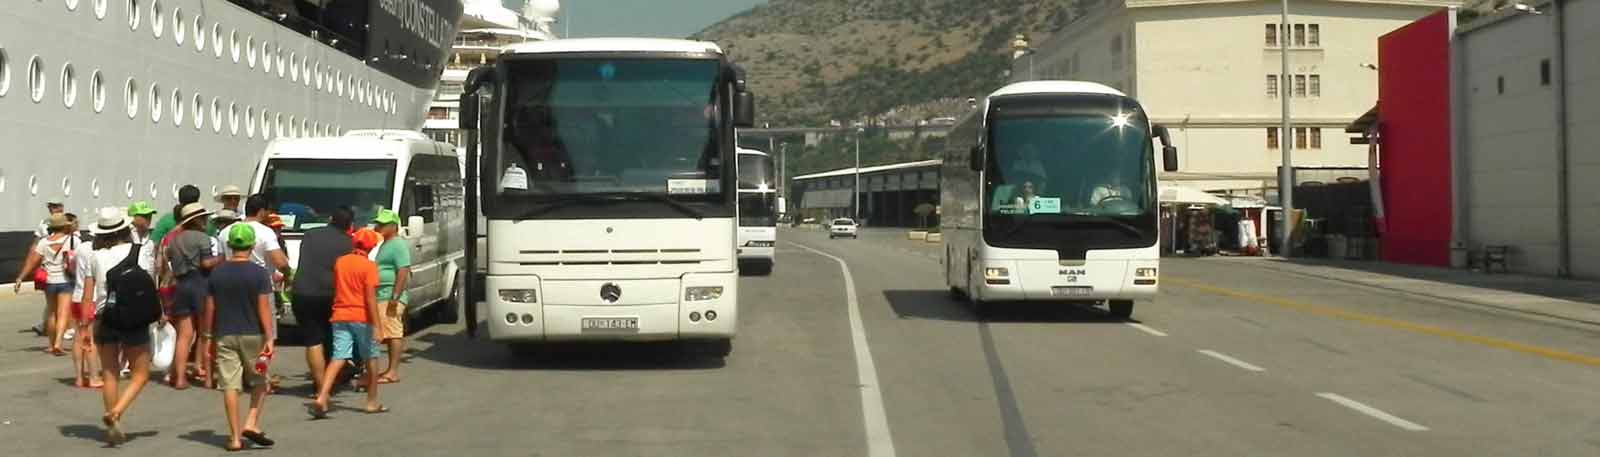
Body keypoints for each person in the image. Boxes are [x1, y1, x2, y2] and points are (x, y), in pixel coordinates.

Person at [81, 207, 153, 445]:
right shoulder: (140, 251)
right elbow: (149, 284)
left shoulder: (95, 257)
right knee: (141, 373)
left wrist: (84, 326)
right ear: (124, 228)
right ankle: (116, 412)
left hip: (106, 317)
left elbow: (88, 295)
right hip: (133, 316)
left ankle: (114, 429)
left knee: (110, 373)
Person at [203, 224, 278, 451]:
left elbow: (210, 308)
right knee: (260, 381)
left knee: (230, 385)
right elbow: (263, 307)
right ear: (252, 245)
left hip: (225, 333)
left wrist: (207, 336)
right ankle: (251, 421)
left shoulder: (217, 273)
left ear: (230, 246)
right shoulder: (259, 273)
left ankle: (234, 437)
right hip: (253, 332)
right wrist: (270, 336)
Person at [311, 229, 388, 418]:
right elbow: (370, 299)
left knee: (338, 357)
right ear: (370, 246)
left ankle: (322, 395)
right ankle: (371, 401)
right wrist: (378, 326)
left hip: (340, 314)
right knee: (371, 357)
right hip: (362, 317)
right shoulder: (369, 266)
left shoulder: (341, 262)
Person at [289, 207, 353, 393]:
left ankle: (319, 385)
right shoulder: (348, 244)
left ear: (330, 218)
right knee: (333, 336)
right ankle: (329, 383)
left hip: (303, 292)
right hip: (330, 294)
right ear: (349, 225)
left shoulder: (310, 235)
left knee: (313, 340)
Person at [161, 203, 220, 389]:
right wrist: (223, 259)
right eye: (203, 218)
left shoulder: (173, 241)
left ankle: (179, 378)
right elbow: (206, 263)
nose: (206, 221)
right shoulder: (203, 238)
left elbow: (168, 262)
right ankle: (205, 374)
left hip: (181, 284)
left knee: (184, 335)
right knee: (205, 333)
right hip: (200, 284)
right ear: (196, 220)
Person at [14, 213, 78, 356]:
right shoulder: (74, 240)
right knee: (63, 313)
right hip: (66, 281)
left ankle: (50, 344)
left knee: (51, 313)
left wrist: (20, 277)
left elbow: (33, 261)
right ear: (65, 225)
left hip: (49, 282)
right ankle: (58, 344)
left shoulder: (44, 242)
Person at [370, 210, 411, 385]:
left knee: (393, 331)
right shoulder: (385, 244)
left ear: (394, 226)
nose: (378, 226)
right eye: (378, 223)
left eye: (383, 224)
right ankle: (388, 370)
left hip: (390, 295)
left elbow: (403, 270)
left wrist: (395, 296)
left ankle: (392, 371)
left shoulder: (397, 244)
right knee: (386, 332)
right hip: (381, 294)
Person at [68, 213, 104, 388]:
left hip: (76, 295)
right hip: (92, 297)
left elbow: (72, 266)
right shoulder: (100, 251)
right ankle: (94, 376)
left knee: (78, 336)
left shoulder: (81, 247)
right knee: (91, 338)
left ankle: (79, 377)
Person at [127, 201, 159, 273]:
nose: (149, 219)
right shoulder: (127, 237)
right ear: (133, 217)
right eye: (145, 216)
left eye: (150, 216)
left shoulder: (150, 240)